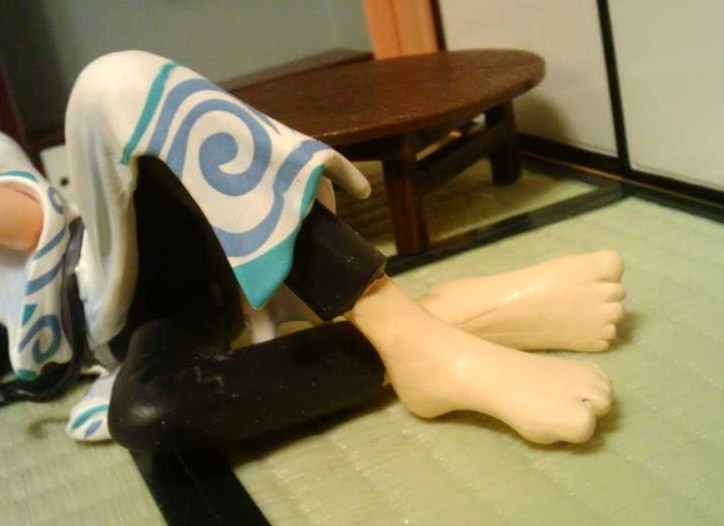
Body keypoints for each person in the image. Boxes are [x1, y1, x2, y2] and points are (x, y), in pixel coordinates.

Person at [0, 51, 624, 450]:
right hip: (137, 336)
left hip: (114, 262)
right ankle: (444, 325)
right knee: (149, 413)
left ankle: (399, 325)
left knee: (111, 83)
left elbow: (29, 224)